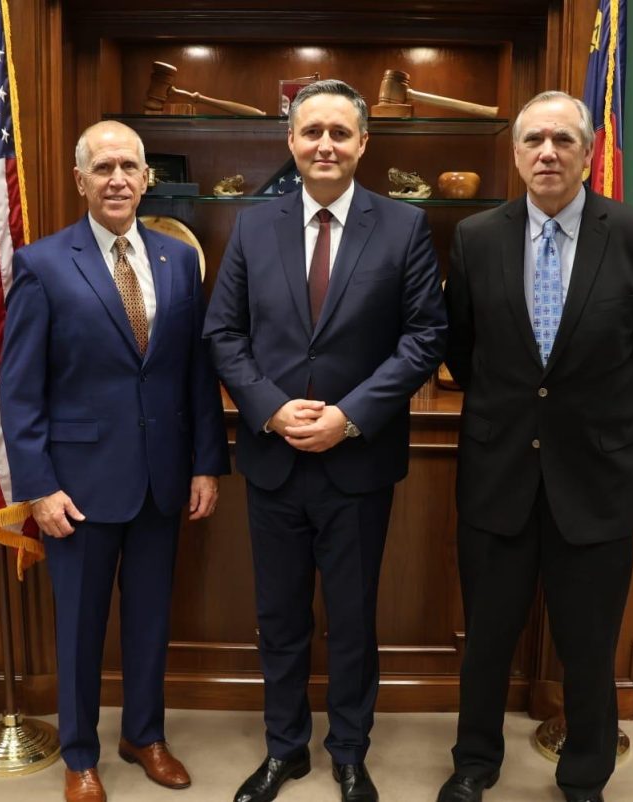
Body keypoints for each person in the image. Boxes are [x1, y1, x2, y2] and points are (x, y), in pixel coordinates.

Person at [437, 90, 633, 802]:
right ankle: (473, 763)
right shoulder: (477, 238)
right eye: (533, 141)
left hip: (596, 479)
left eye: (563, 140)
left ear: (588, 153)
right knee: (487, 640)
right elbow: (461, 347)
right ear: (516, 153)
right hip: (498, 475)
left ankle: (584, 775)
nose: (547, 153)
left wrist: (614, 427)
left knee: (588, 645)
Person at [203, 79, 446, 802]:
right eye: (312, 132)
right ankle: (285, 749)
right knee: (279, 618)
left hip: (359, 461)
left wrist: (350, 415)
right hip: (273, 461)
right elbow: (224, 333)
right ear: (291, 141)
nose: (325, 145)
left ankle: (348, 751)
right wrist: (272, 409)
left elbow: (424, 337)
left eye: (340, 132)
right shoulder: (254, 226)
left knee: (352, 620)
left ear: (364, 143)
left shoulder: (403, 227)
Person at [0, 120, 229, 802]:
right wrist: (39, 487)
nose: (119, 179)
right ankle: (79, 755)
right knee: (79, 627)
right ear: (81, 180)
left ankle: (144, 736)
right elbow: (19, 390)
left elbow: (196, 373)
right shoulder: (42, 264)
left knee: (151, 618)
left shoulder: (179, 260)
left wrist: (206, 463)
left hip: (162, 478)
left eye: (130, 167)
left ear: (146, 177)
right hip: (77, 488)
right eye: (104, 168)